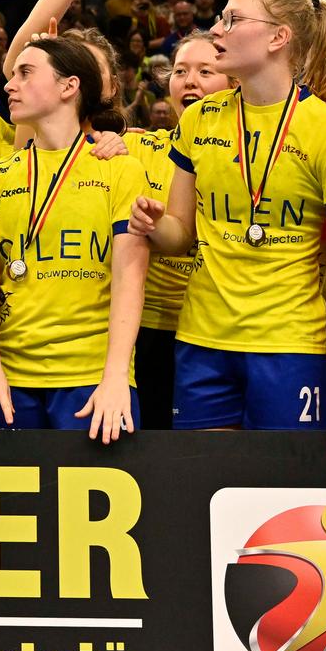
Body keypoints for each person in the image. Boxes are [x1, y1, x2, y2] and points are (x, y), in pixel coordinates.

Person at [128, 0, 326, 451]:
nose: (216, 30)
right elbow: (181, 234)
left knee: (283, 500)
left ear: (279, 37)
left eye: (233, 19)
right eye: (221, 18)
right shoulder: (200, 119)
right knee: (203, 495)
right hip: (202, 340)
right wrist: (155, 224)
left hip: (289, 346)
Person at [0, 35, 147, 437]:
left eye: (25, 73)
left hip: (92, 378)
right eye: (11, 75)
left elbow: (129, 279)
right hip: (8, 380)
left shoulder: (120, 170)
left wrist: (116, 375)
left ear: (70, 86)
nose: (10, 85)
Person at [129, 33, 222, 427]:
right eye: (181, 71)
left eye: (206, 71)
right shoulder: (137, 148)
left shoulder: (249, 153)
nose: (190, 80)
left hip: (213, 328)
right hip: (148, 328)